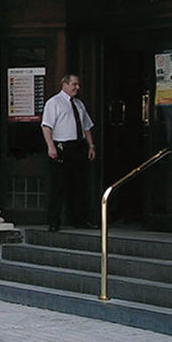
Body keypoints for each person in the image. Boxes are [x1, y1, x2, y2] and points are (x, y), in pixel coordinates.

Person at [41, 73, 97, 232]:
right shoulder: (54, 103)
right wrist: (51, 146)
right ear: (64, 85)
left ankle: (80, 219)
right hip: (62, 146)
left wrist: (91, 145)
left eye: (78, 84)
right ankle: (54, 221)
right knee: (58, 185)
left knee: (79, 184)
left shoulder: (79, 104)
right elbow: (46, 126)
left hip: (78, 146)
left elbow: (87, 126)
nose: (77, 87)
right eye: (74, 84)